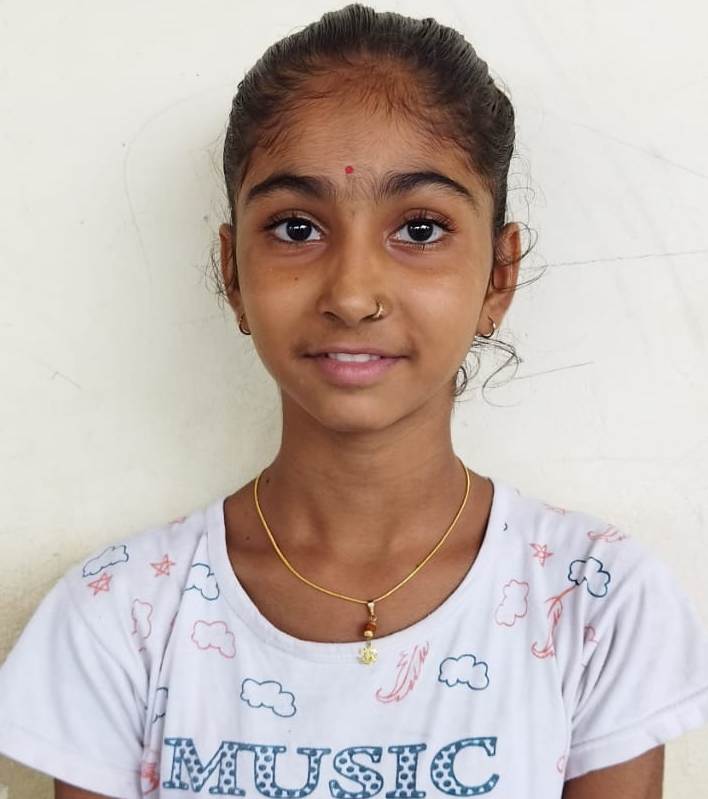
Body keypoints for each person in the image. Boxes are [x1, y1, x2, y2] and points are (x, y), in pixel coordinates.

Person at [1, 4, 708, 798]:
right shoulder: (119, 617)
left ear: (499, 276)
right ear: (233, 273)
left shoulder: (594, 602)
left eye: (421, 229)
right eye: (297, 228)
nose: (352, 293)